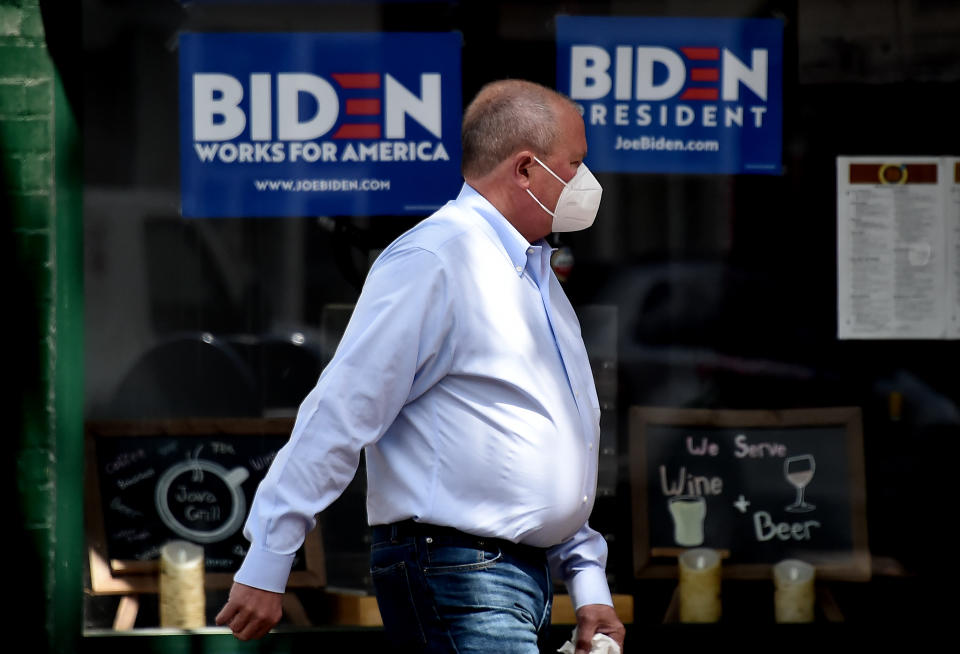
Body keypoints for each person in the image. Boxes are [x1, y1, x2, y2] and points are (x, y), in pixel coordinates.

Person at [215, 78, 626, 654]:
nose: (587, 182)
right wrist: (269, 557)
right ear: (526, 170)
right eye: (576, 164)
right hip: (458, 572)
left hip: (507, 578)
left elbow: (546, 450)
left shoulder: (536, 277)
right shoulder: (435, 259)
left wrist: (588, 584)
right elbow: (341, 412)